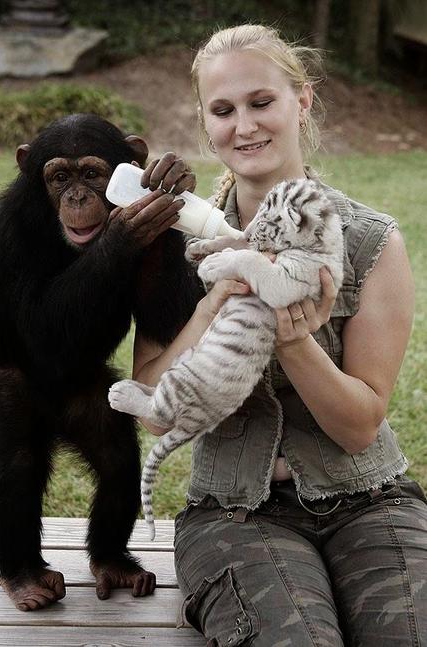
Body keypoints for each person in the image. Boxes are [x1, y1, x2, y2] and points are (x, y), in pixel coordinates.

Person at [132, 24, 427, 646]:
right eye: (223, 110)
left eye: (261, 102)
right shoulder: (176, 249)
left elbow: (358, 425)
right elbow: (155, 410)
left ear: (303, 101)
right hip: (234, 515)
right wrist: (217, 298)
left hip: (371, 501)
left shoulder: (371, 243)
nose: (244, 126)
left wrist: (294, 342)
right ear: (205, 121)